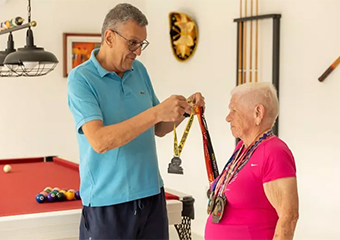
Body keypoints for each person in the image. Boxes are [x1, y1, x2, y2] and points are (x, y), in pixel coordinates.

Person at [67, 3, 205, 240]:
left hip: (152, 196)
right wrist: (157, 112)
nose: (138, 51)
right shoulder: (81, 79)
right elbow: (100, 141)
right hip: (107, 204)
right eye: (132, 43)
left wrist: (185, 111)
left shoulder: (138, 71)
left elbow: (159, 129)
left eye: (141, 44)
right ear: (109, 37)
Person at [205, 82, 299, 240]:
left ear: (258, 113)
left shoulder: (274, 152)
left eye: (234, 110)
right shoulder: (244, 147)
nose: (228, 118)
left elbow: (289, 217)